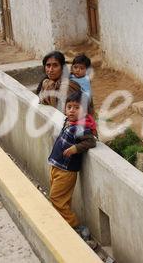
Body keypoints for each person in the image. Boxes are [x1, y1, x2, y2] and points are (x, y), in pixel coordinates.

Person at [48, 91, 96, 239]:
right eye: (69, 107)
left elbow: (91, 141)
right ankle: (64, 223)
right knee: (63, 199)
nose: (72, 110)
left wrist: (75, 148)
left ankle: (75, 225)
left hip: (66, 171)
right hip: (57, 166)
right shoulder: (69, 122)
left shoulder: (82, 127)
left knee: (55, 197)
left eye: (77, 107)